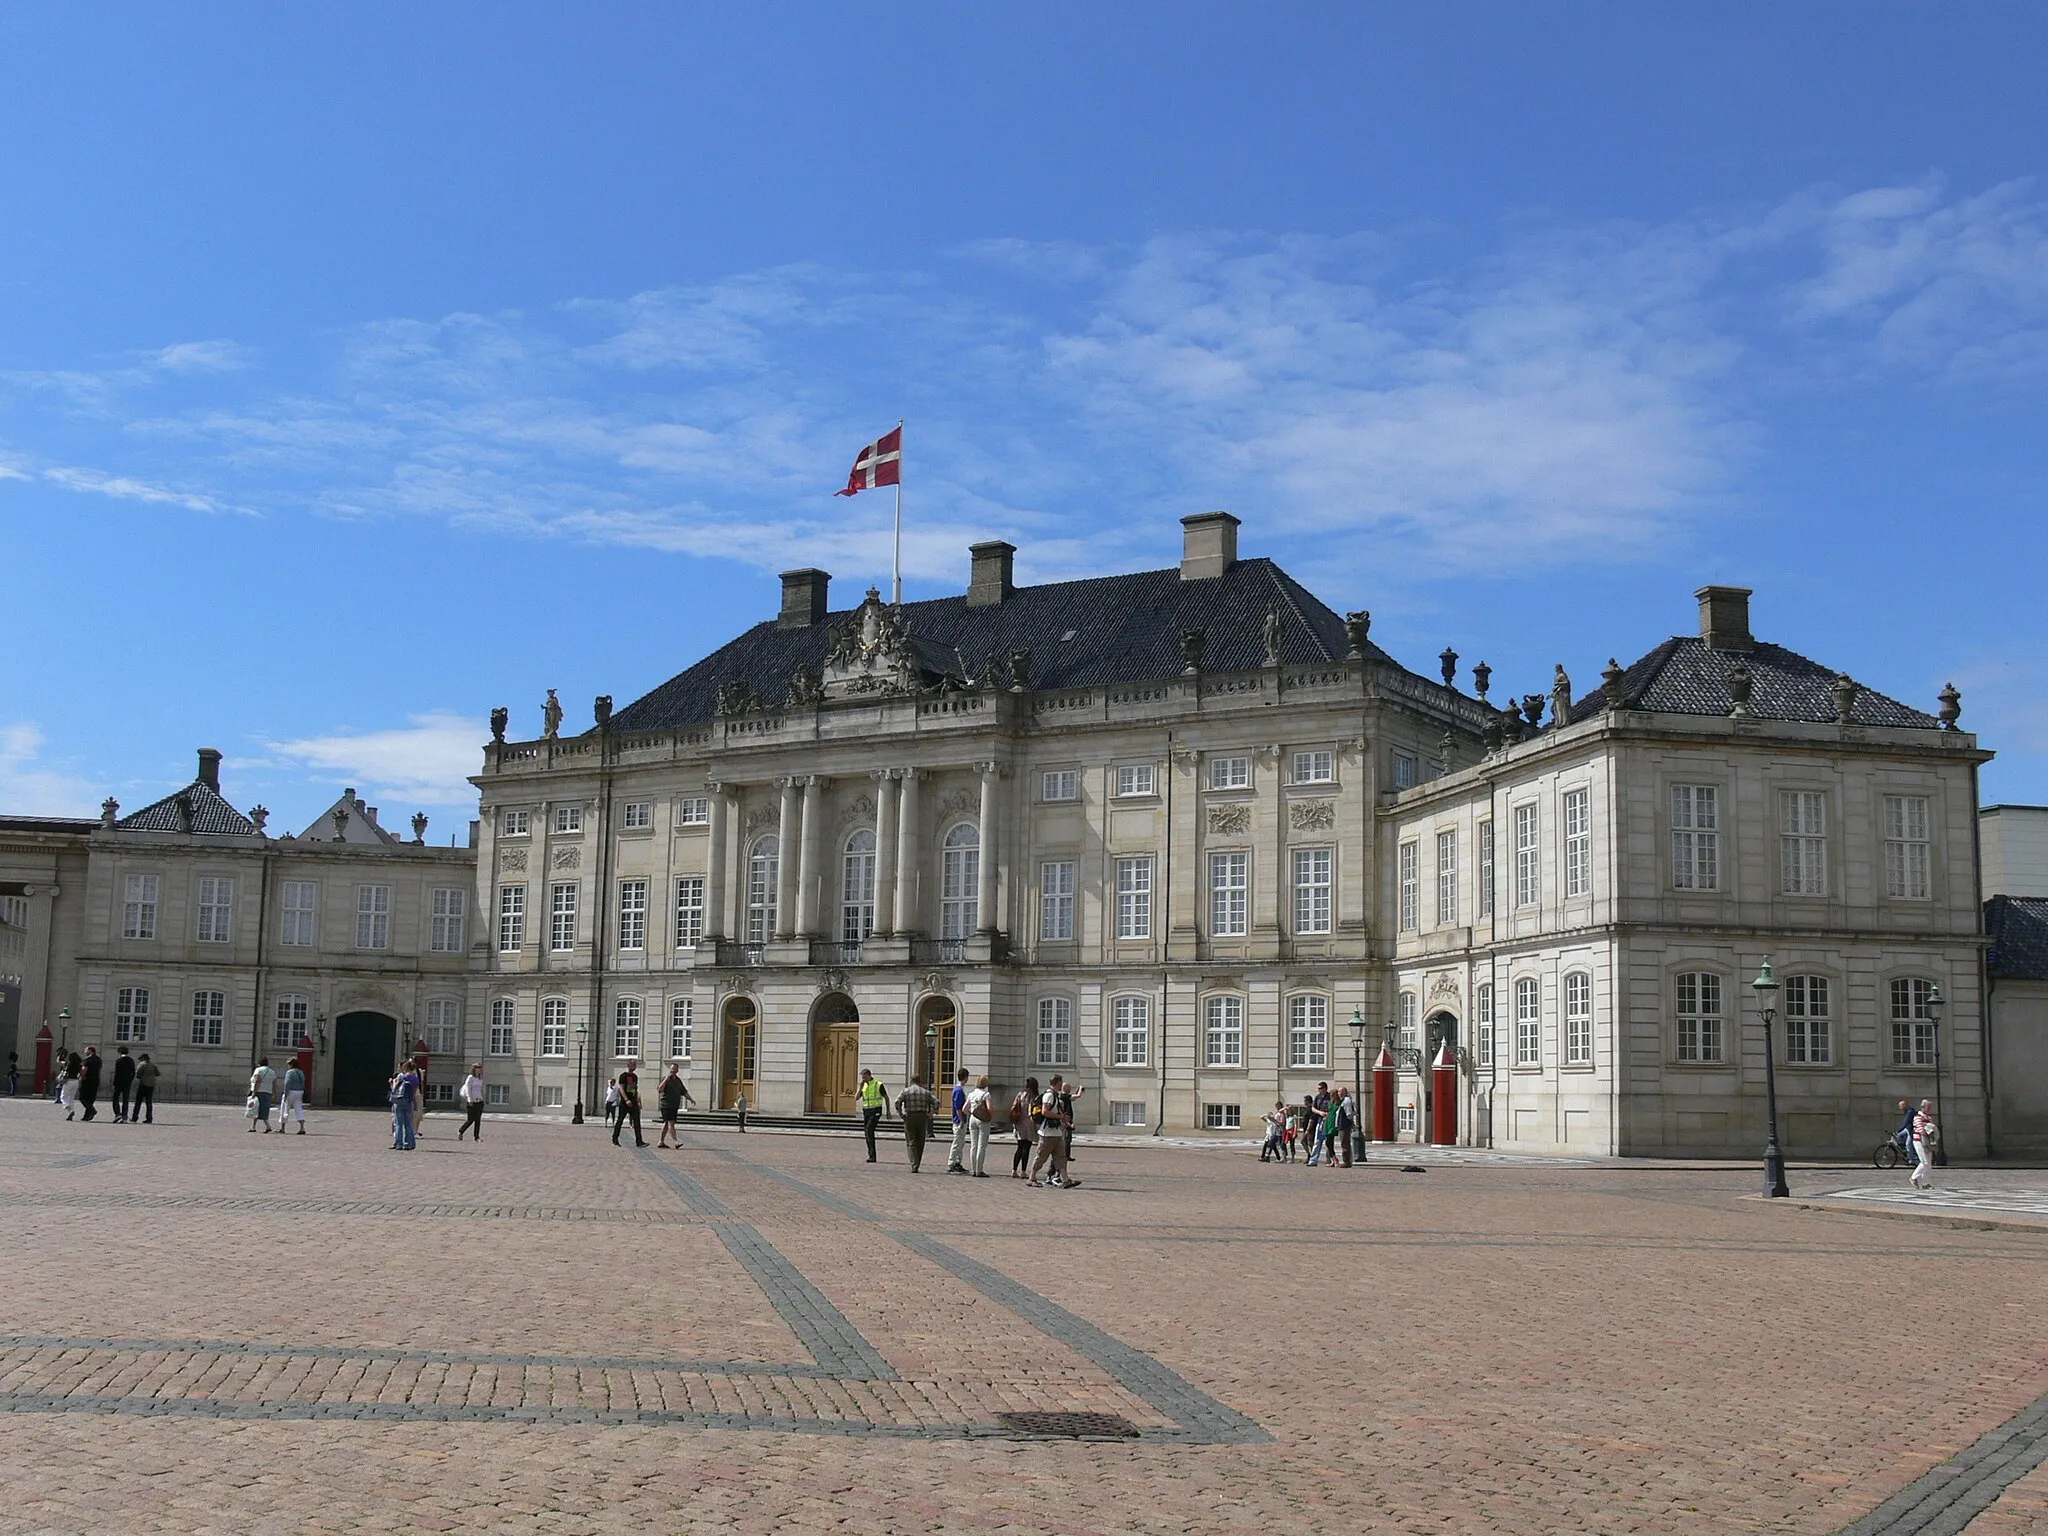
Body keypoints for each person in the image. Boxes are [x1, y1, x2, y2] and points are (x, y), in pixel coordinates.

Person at [894, 1075, 938, 1172]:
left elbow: (897, 1102)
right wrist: (930, 1114)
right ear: (920, 1082)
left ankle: (914, 1163)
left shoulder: (906, 1091)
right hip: (922, 1117)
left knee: (911, 1141)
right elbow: (936, 1102)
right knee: (920, 1141)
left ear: (911, 1081)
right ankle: (917, 1162)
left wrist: (901, 1114)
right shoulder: (925, 1092)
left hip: (910, 1116)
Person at [965, 1074, 995, 1178]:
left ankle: (973, 1169)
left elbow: (965, 1108)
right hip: (983, 1120)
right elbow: (990, 1108)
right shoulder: (986, 1094)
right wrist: (990, 1116)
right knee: (982, 1145)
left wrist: (971, 1111)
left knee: (973, 1144)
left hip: (973, 1118)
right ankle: (979, 1170)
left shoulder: (971, 1094)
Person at [612, 1059, 646, 1147]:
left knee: (637, 1121)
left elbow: (633, 1090)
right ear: (628, 1065)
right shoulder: (623, 1076)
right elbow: (622, 1089)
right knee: (620, 1121)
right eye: (633, 1064)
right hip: (624, 1103)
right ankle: (615, 1139)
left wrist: (637, 1101)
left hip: (633, 1102)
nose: (634, 1066)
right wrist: (627, 1100)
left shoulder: (634, 1076)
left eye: (635, 1065)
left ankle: (639, 1141)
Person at [655, 1062, 689, 1149]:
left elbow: (683, 1091)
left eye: (674, 1069)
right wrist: (665, 1080)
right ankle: (676, 1141)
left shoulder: (678, 1080)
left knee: (667, 1123)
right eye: (671, 1069)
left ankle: (661, 1141)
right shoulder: (665, 1079)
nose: (672, 1070)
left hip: (674, 1105)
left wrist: (691, 1099)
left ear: (677, 1070)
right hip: (666, 1105)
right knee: (671, 1123)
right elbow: (660, 1090)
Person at [1010, 1077, 1039, 1178]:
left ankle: (1014, 1170)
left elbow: (1013, 1107)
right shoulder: (1034, 1096)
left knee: (1019, 1147)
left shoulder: (1020, 1094)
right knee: (1026, 1148)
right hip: (1030, 1124)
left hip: (1020, 1123)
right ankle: (1023, 1171)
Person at [857, 1068, 888, 1162]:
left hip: (876, 1110)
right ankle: (871, 1154)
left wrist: (888, 1112)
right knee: (867, 1133)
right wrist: (860, 1088)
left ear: (869, 1075)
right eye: (862, 1077)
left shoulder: (878, 1084)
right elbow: (856, 1098)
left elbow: (886, 1097)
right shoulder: (864, 1086)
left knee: (869, 1130)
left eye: (864, 1077)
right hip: (866, 1111)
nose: (863, 1079)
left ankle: (872, 1155)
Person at [946, 1067, 972, 1174]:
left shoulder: (958, 1089)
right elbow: (958, 1108)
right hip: (959, 1121)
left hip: (960, 1120)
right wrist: (961, 1120)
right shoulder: (959, 1090)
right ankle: (951, 1164)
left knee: (961, 1143)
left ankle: (957, 1162)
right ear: (965, 1077)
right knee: (957, 1143)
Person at [1910, 1098, 1939, 1190]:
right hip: (1919, 1141)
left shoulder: (1928, 1118)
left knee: (1928, 1163)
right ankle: (1914, 1177)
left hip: (1927, 1141)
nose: (1929, 1108)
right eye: (1928, 1107)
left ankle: (1925, 1182)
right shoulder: (1917, 1117)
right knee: (1924, 1162)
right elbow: (1920, 1129)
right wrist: (1929, 1131)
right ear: (1923, 1107)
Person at [389, 1061, 419, 1150]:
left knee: (398, 1124)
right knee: (408, 1123)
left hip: (399, 1101)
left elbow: (395, 1089)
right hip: (409, 1101)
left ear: (405, 1068)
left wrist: (392, 1082)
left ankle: (399, 1143)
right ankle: (410, 1143)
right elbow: (415, 1092)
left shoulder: (401, 1076)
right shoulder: (415, 1078)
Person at [457, 1062, 486, 1141]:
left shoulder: (480, 1078)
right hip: (472, 1101)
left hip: (479, 1100)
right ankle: (461, 1131)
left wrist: (482, 1098)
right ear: (474, 1069)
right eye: (478, 1068)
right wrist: (470, 1099)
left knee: (478, 1120)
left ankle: (476, 1137)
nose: (480, 1069)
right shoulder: (470, 1078)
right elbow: (468, 1089)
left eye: (480, 1068)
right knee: (470, 1119)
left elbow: (480, 1089)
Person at [278, 1059, 307, 1134]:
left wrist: (285, 1093)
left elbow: (287, 1083)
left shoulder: (290, 1072)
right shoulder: (301, 1072)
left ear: (291, 1065)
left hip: (291, 1091)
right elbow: (303, 1082)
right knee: (298, 1108)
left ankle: (283, 1128)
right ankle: (302, 1127)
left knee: (285, 1109)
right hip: (299, 1091)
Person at [248, 1057, 276, 1133]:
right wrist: (274, 1093)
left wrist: (254, 1092)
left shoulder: (258, 1070)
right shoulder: (272, 1072)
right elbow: (274, 1084)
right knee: (263, 1109)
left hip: (259, 1092)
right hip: (268, 1092)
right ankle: (253, 1126)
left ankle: (268, 1126)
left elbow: (257, 1081)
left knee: (256, 1109)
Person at [78, 1046, 102, 1122]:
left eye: (86, 1050)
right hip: (96, 1079)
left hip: (87, 1080)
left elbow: (84, 1070)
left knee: (82, 1098)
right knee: (91, 1098)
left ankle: (92, 1110)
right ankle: (87, 1115)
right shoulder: (99, 1059)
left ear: (90, 1051)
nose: (84, 1051)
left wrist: (80, 1077)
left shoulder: (87, 1060)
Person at [132, 1053, 158, 1124]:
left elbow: (138, 1074)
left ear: (143, 1058)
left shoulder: (142, 1064)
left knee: (138, 1102)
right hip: (151, 1085)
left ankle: (135, 1117)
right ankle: (149, 1118)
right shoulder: (153, 1065)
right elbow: (157, 1073)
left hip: (143, 1084)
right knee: (149, 1103)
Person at [58, 1050, 81, 1120]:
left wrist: (59, 1056)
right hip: (76, 1081)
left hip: (69, 1081)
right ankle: (71, 1113)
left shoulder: (68, 1064)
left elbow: (59, 1062)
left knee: (63, 1097)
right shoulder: (79, 1065)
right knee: (71, 1098)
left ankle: (70, 1110)